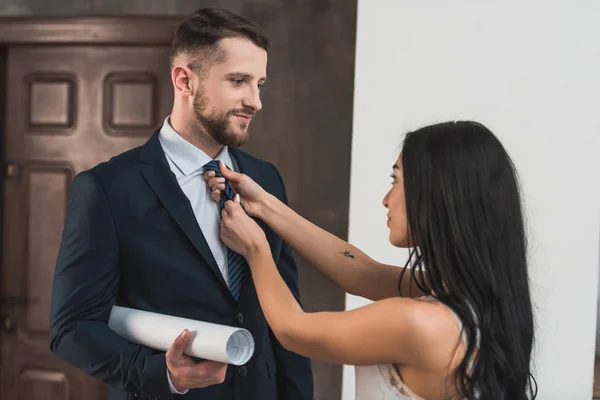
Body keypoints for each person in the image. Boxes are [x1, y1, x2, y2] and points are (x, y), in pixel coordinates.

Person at [49, 7, 313, 400]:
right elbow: (72, 328)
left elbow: (288, 311)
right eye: (238, 81)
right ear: (184, 80)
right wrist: (163, 374)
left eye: (260, 84)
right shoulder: (107, 189)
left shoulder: (265, 178)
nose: (255, 101)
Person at [204, 121, 538, 400]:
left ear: (437, 196)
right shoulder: (469, 298)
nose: (386, 199)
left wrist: (256, 249)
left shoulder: (419, 324)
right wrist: (265, 206)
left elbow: (294, 330)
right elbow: (362, 272)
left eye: (396, 181)